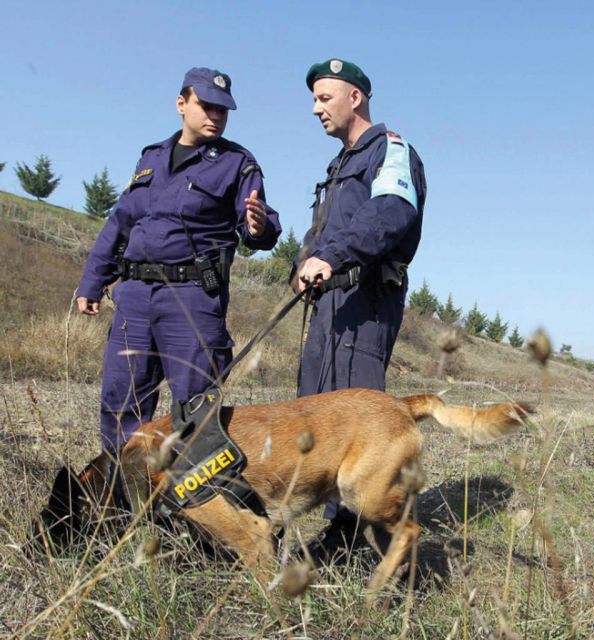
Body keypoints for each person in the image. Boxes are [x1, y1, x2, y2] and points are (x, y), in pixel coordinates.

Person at [77, 67, 281, 450]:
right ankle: (127, 499)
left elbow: (261, 224)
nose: (215, 116)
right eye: (207, 106)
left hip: (191, 298)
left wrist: (259, 227)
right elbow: (120, 223)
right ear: (181, 103)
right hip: (134, 296)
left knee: (195, 409)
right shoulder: (150, 159)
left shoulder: (237, 163)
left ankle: (190, 506)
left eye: (223, 110)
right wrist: (92, 281)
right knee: (122, 402)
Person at [294, 58, 427, 537]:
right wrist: (301, 267)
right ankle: (336, 525)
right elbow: (320, 233)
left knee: (356, 417)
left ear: (356, 98)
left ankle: (358, 531)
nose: (315, 109)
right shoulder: (339, 166)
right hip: (328, 306)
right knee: (317, 410)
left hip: (365, 302)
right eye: (313, 99)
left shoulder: (391, 150)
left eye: (324, 97)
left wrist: (331, 255)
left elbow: (390, 211)